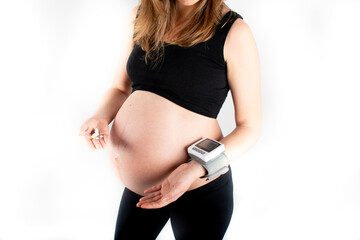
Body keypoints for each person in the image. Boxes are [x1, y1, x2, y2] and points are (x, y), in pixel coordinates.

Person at [78, 0, 261, 239]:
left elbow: (249, 128)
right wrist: (100, 116)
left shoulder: (234, 32)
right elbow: (120, 88)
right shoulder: (141, 16)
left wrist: (193, 169)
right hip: (143, 190)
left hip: (198, 187)